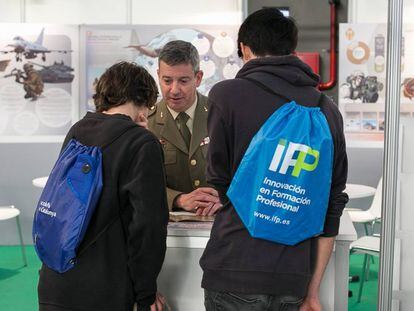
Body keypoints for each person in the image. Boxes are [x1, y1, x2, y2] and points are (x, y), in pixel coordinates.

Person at [200, 8, 348, 311]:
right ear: (292, 50)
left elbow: (219, 179)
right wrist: (312, 291)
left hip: (234, 266)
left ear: (243, 49)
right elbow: (332, 203)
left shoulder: (226, 95)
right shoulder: (325, 109)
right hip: (293, 276)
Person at [37, 62, 169, 311]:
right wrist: (146, 293)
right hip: (102, 290)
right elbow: (147, 227)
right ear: (144, 103)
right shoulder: (142, 143)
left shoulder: (78, 130)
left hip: (56, 280)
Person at [148, 40, 221, 216]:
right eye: (167, 80)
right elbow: (140, 182)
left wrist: (225, 198)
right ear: (158, 75)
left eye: (183, 81)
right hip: (169, 229)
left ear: (198, 78)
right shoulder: (147, 123)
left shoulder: (220, 115)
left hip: (218, 223)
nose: (174, 90)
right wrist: (178, 199)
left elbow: (242, 171)